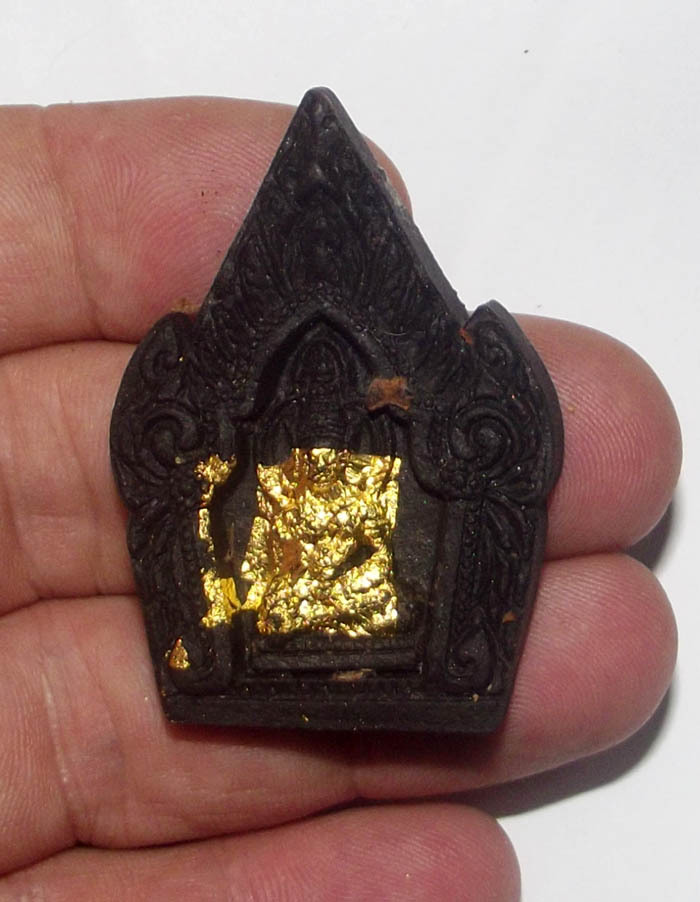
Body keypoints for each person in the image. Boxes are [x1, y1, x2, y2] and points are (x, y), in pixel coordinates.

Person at [0, 96, 680, 900]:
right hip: (285, 596)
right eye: (310, 387)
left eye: (334, 386)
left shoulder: (373, 458)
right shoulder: (277, 456)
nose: (323, 393)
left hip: (369, 589)